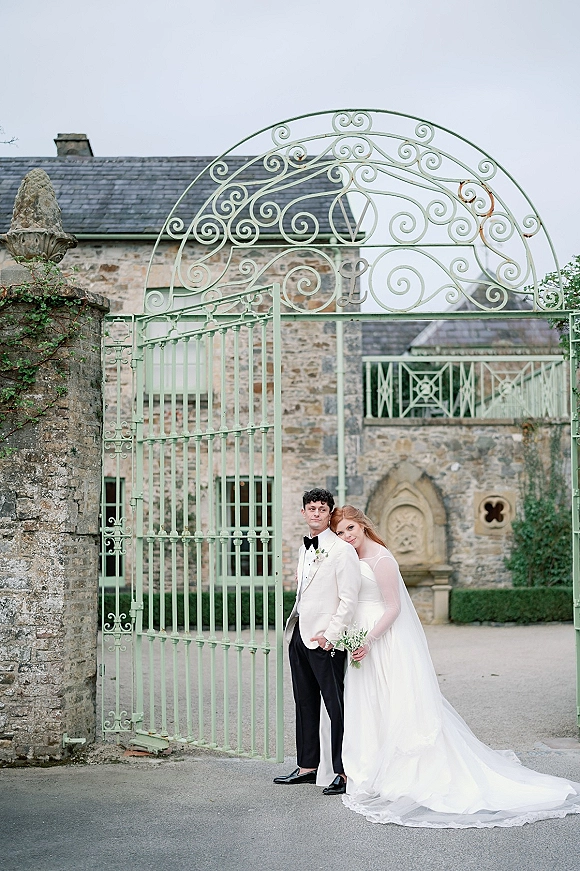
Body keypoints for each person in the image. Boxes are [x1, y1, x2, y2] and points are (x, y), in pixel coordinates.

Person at [329, 504, 580, 828]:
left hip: (382, 643)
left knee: (397, 706)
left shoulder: (381, 558)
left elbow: (393, 608)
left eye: (350, 528)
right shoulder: (355, 559)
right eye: (340, 533)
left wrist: (369, 640)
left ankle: (402, 773)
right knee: (370, 706)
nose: (346, 536)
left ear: (362, 525)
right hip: (362, 644)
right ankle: (373, 768)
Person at [273, 489, 361, 795]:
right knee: (304, 702)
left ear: (329, 512)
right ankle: (307, 766)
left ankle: (342, 771)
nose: (316, 513)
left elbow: (349, 600)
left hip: (326, 641)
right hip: (299, 634)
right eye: (311, 508)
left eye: (322, 509)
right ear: (303, 512)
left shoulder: (342, 551)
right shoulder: (304, 549)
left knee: (336, 707)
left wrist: (331, 636)